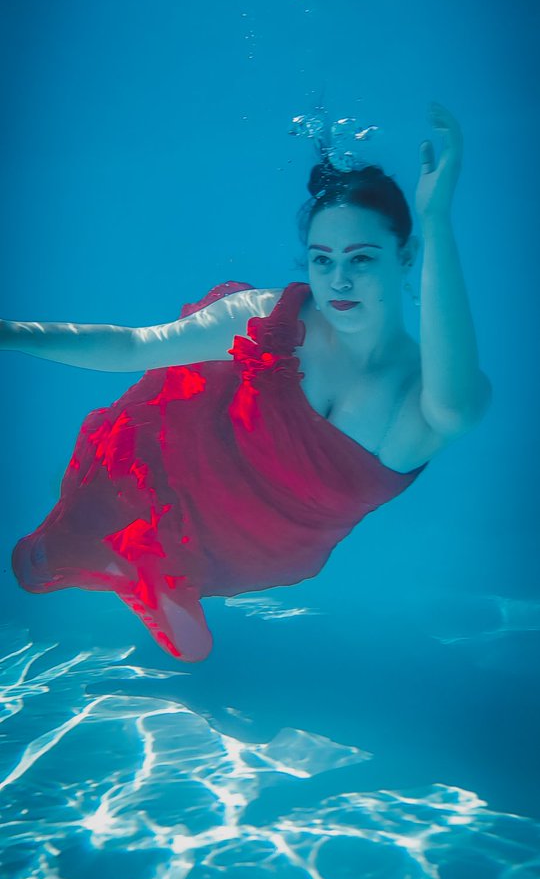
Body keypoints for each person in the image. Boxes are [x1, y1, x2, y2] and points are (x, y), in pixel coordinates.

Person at [3, 102, 491, 662]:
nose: (338, 281)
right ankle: (119, 542)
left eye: (361, 259)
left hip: (254, 546)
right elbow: (134, 346)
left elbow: (459, 408)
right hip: (190, 461)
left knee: (181, 624)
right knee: (65, 530)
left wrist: (436, 219)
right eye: (322, 259)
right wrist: (10, 333)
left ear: (406, 258)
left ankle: (146, 567)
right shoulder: (273, 319)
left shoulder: (417, 400)